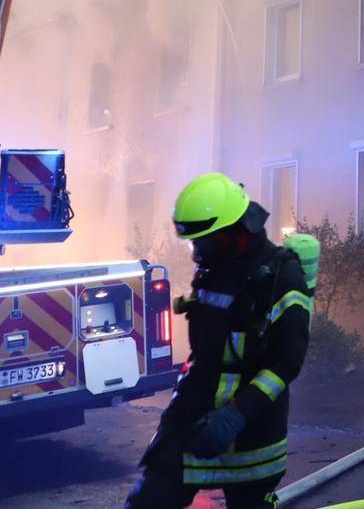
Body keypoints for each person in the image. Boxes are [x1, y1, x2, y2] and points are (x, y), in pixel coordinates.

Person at [126, 173, 311, 509]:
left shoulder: (279, 277)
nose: (196, 253)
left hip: (251, 434)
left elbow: (287, 361)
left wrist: (237, 414)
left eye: (203, 241)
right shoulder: (215, 267)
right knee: (149, 500)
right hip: (192, 417)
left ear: (233, 232)